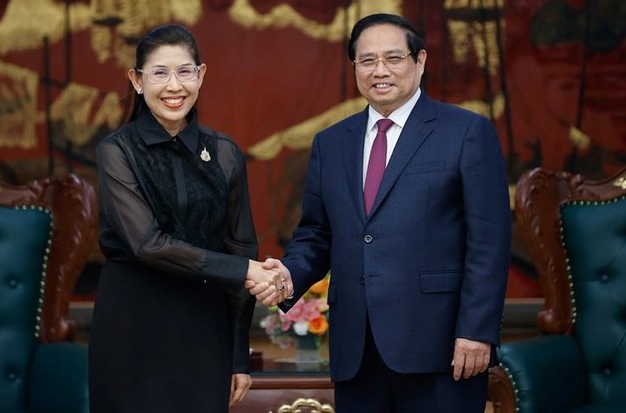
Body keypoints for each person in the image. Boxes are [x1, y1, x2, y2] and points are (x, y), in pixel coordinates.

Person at [251, 13, 511, 413]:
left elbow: (489, 242)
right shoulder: (331, 143)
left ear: (420, 61)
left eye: (393, 58)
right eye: (367, 60)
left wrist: (477, 330)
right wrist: (288, 275)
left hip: (442, 348)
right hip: (357, 352)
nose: (380, 71)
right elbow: (317, 233)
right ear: (355, 67)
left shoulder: (465, 132)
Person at [89, 24, 284, 413]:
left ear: (201, 75)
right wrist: (245, 269)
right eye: (160, 73)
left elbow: (241, 246)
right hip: (133, 328)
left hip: (204, 331)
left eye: (184, 71)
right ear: (137, 81)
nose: (174, 86)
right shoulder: (117, 152)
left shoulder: (225, 152)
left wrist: (238, 355)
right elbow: (147, 244)